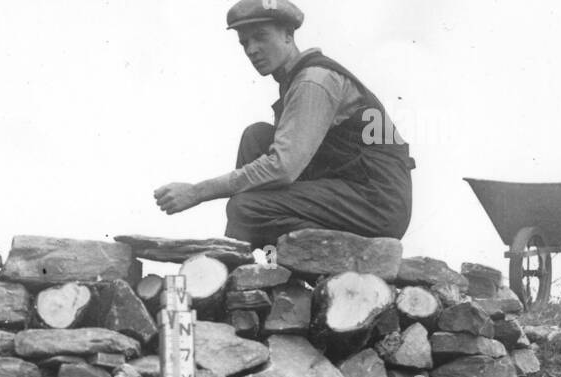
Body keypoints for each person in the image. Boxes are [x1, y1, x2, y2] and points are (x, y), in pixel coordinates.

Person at [154, 1, 414, 249]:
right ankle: (263, 264)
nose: (252, 49)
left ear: (288, 35)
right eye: (245, 42)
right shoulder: (297, 80)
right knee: (257, 138)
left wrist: (198, 192)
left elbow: (282, 169)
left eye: (261, 36)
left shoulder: (314, 81)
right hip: (353, 193)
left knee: (245, 209)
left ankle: (261, 264)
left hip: (376, 204)